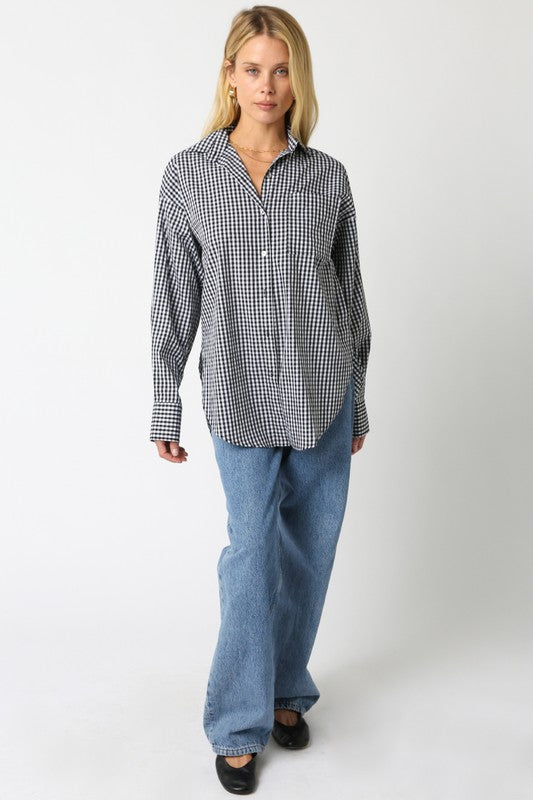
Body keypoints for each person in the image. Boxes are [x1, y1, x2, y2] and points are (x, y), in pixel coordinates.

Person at [149, 5, 371, 794]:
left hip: (322, 395)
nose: (267, 85)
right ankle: (236, 724)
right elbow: (173, 297)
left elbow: (350, 300)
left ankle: (285, 690)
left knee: (309, 553)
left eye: (280, 70)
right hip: (239, 398)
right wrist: (165, 401)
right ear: (229, 75)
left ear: (296, 79)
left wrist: (358, 404)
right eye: (252, 70)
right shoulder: (189, 175)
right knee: (250, 556)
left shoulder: (327, 178)